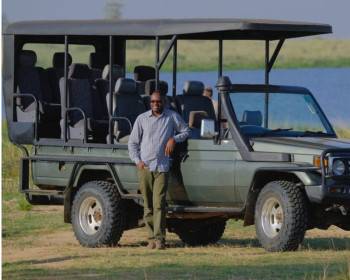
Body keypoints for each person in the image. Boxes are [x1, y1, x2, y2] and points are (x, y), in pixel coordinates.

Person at [128, 90, 190, 250]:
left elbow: (186, 131)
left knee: (159, 204)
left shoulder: (171, 116)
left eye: (158, 102)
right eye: (153, 102)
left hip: (162, 167)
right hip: (145, 167)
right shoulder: (142, 119)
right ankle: (151, 239)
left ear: (164, 102)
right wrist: (137, 161)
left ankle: (160, 239)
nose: (156, 104)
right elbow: (132, 143)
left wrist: (173, 139)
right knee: (148, 205)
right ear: (150, 103)